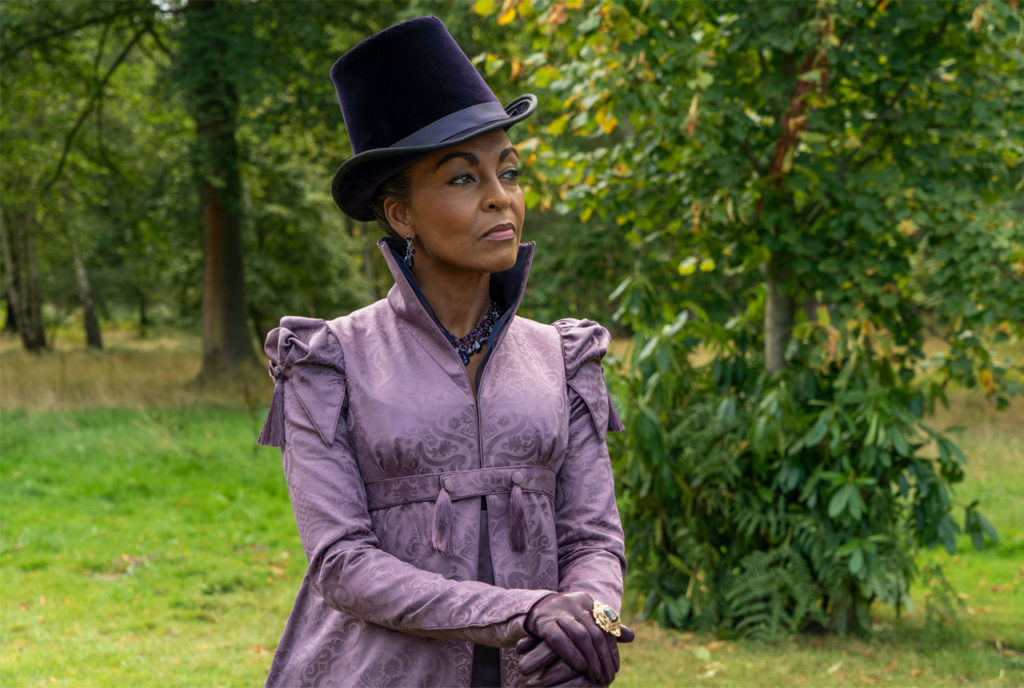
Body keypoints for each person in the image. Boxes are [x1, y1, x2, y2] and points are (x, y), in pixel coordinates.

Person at [257, 16, 633, 688]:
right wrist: (527, 610)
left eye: (508, 171)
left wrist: (586, 622)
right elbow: (340, 561)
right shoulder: (328, 362)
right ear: (401, 214)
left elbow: (593, 540)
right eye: (463, 178)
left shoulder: (563, 358)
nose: (501, 197)